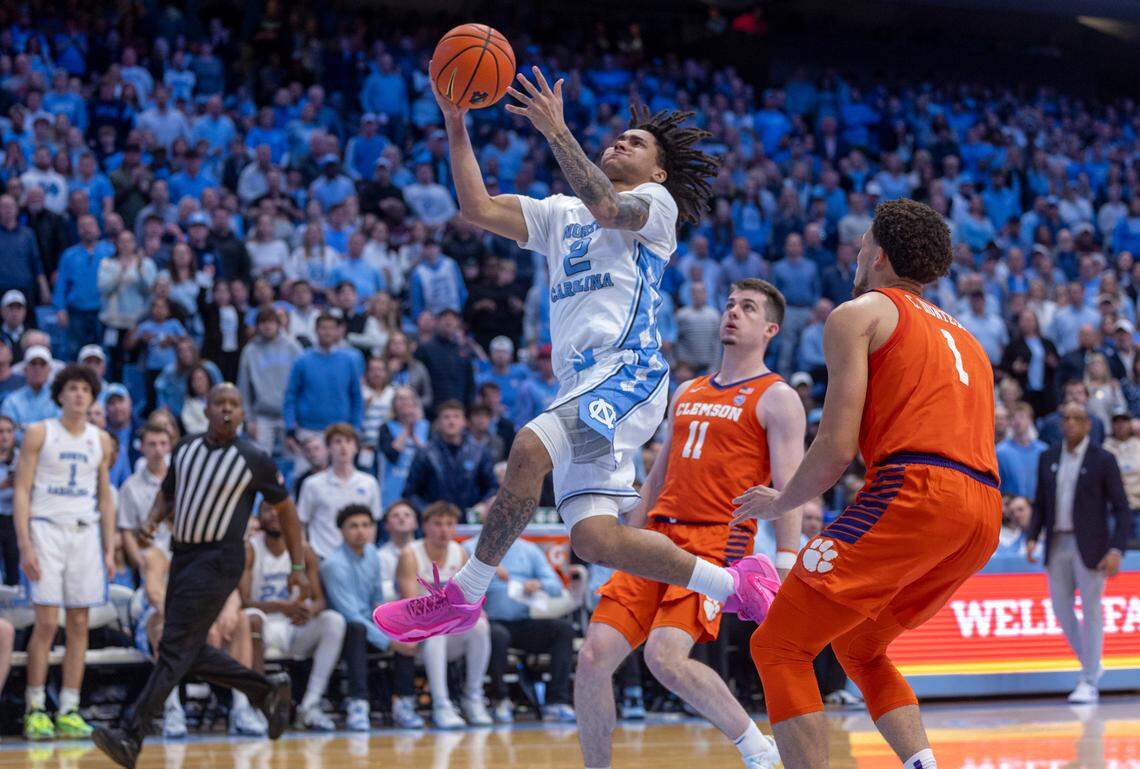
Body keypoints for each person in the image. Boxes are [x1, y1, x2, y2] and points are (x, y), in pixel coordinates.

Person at [374, 66, 777, 646]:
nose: (619, 142)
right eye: (617, 137)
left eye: (635, 142)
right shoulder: (560, 213)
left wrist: (554, 130)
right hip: (578, 383)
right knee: (595, 541)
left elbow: (610, 208)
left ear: (659, 169)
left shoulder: (654, 203)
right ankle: (735, 586)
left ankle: (464, 593)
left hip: (627, 370)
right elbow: (477, 208)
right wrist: (455, 121)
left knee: (527, 448)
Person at [732, 200, 1002, 769]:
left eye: (860, 244)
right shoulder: (970, 341)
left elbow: (836, 446)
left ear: (877, 254)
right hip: (981, 514)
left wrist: (783, 500)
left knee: (778, 645)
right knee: (860, 645)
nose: (855, 253)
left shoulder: (859, 314)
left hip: (917, 493)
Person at [576, 279, 803, 769]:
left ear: (770, 328)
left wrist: (785, 564)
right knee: (593, 658)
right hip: (657, 536)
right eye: (729, 305)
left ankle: (759, 752)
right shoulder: (687, 389)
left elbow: (789, 491)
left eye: (747, 308)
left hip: (717, 541)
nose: (732, 313)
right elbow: (659, 473)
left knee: (664, 657)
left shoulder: (778, 396)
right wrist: (625, 539)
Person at [92, 384, 302, 768]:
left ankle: (131, 735)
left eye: (234, 405)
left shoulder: (254, 458)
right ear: (205, 409)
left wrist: (299, 567)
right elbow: (168, 494)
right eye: (219, 403)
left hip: (219, 559)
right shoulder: (186, 448)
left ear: (242, 414)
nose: (226, 410)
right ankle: (265, 689)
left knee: (174, 647)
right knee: (183, 648)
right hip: (183, 555)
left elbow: (286, 512)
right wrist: (153, 520)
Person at [14, 364, 116, 739]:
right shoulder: (40, 433)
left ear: (92, 397)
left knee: (78, 625)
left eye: (85, 390)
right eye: (72, 389)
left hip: (85, 534)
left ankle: (70, 708)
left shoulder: (100, 440)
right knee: (45, 624)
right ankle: (36, 706)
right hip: (46, 530)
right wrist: (25, 544)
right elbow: (21, 491)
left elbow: (105, 497)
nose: (78, 395)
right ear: (60, 395)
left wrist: (109, 548)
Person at [1026, 401, 1131, 704]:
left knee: (1092, 610)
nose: (1070, 423)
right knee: (1060, 609)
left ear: (1088, 424)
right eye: (1065, 418)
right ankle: (1092, 664)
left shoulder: (1103, 459)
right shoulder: (1048, 457)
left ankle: (1088, 679)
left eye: (1077, 418)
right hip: (1056, 541)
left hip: (1092, 546)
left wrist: (1116, 549)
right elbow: (1041, 502)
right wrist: (1033, 536)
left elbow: (1122, 509)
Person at [240, 502, 345, 731]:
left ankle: (311, 705)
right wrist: (280, 606)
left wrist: (310, 611)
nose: (275, 514)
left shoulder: (304, 551)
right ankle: (255, 708)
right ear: (259, 517)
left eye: (280, 510)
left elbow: (319, 599)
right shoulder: (250, 549)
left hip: (294, 627)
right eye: (268, 509)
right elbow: (243, 601)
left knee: (333, 621)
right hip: (263, 624)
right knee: (250, 619)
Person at [320, 504, 424, 731]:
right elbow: (350, 614)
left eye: (366, 525)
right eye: (353, 526)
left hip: (368, 623)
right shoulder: (333, 565)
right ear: (342, 531)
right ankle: (358, 704)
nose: (361, 531)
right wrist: (389, 641)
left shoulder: (373, 556)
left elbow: (377, 600)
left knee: (405, 628)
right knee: (357, 628)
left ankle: (404, 703)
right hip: (343, 631)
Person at [396, 501, 493, 728]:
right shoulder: (410, 554)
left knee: (480, 625)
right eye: (437, 524)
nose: (443, 530)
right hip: (418, 633)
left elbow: (467, 599)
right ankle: (441, 704)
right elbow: (413, 605)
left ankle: (473, 697)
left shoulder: (459, 553)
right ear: (425, 526)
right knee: (435, 631)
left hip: (449, 629)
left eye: (449, 524)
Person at [283, 312, 363, 468]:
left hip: (341, 432)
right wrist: (290, 428)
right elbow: (291, 395)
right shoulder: (302, 360)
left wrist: (355, 427)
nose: (327, 332)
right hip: (308, 431)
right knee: (304, 479)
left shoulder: (348, 361)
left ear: (337, 331)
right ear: (316, 330)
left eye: (331, 328)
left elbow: (356, 397)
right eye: (323, 328)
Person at [297, 423, 381, 560]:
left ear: (356, 447)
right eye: (337, 442)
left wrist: (367, 554)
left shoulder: (369, 483)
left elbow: (373, 523)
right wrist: (306, 555)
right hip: (322, 556)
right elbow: (301, 522)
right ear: (328, 448)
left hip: (359, 557)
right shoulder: (312, 484)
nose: (343, 447)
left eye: (348, 441)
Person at [238, 307, 301, 458]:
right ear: (257, 326)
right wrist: (248, 420)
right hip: (261, 416)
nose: (267, 326)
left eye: (271, 322)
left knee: (293, 460)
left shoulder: (292, 347)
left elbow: (303, 382)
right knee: (259, 462)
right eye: (263, 322)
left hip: (289, 415)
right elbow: (244, 388)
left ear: (278, 324)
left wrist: (299, 415)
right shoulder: (250, 351)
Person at [996, 402, 1049, 499]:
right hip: (1010, 508)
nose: (1018, 421)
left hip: (1037, 507)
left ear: (1030, 420)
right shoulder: (1000, 451)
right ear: (1009, 422)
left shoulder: (1043, 451)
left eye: (1022, 417)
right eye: (1014, 418)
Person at [1, 346, 61, 431]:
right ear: (25, 369)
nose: (37, 369)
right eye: (33, 364)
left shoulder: (59, 398)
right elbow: (7, 432)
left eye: (42, 364)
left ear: (49, 369)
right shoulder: (12, 401)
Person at [0, 415, 18, 585]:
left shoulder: (22, 458)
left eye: (9, 431)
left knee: (14, 566)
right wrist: (2, 485)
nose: (4, 436)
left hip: (15, 519)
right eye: (0, 432)